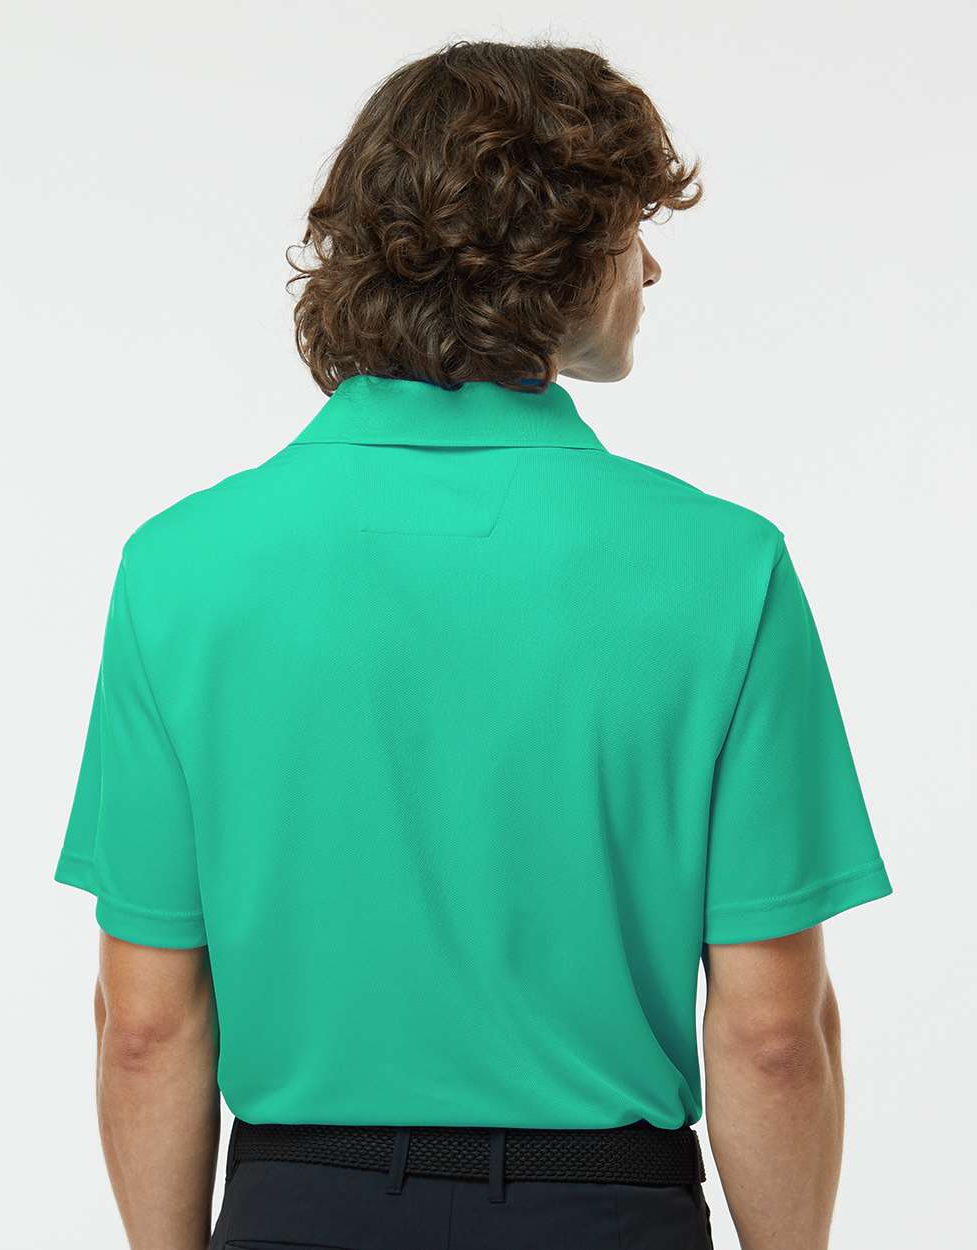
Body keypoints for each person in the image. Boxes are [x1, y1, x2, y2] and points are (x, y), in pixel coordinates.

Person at [53, 39, 893, 1250]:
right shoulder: (725, 566)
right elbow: (771, 1032)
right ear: (548, 252)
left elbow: (144, 1023)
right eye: (629, 230)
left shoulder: (179, 567)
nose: (651, 265)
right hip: (604, 1211)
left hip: (297, 1205)